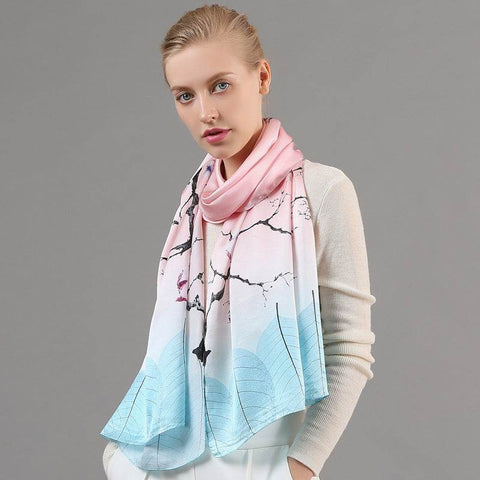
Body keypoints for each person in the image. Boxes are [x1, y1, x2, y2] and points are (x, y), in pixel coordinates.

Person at [100, 4, 376, 480]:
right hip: (166, 459)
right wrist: (121, 461)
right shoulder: (194, 204)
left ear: (262, 77)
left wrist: (299, 467)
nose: (205, 112)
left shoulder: (322, 191)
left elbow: (348, 349)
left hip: (262, 461)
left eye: (220, 85)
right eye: (185, 96)